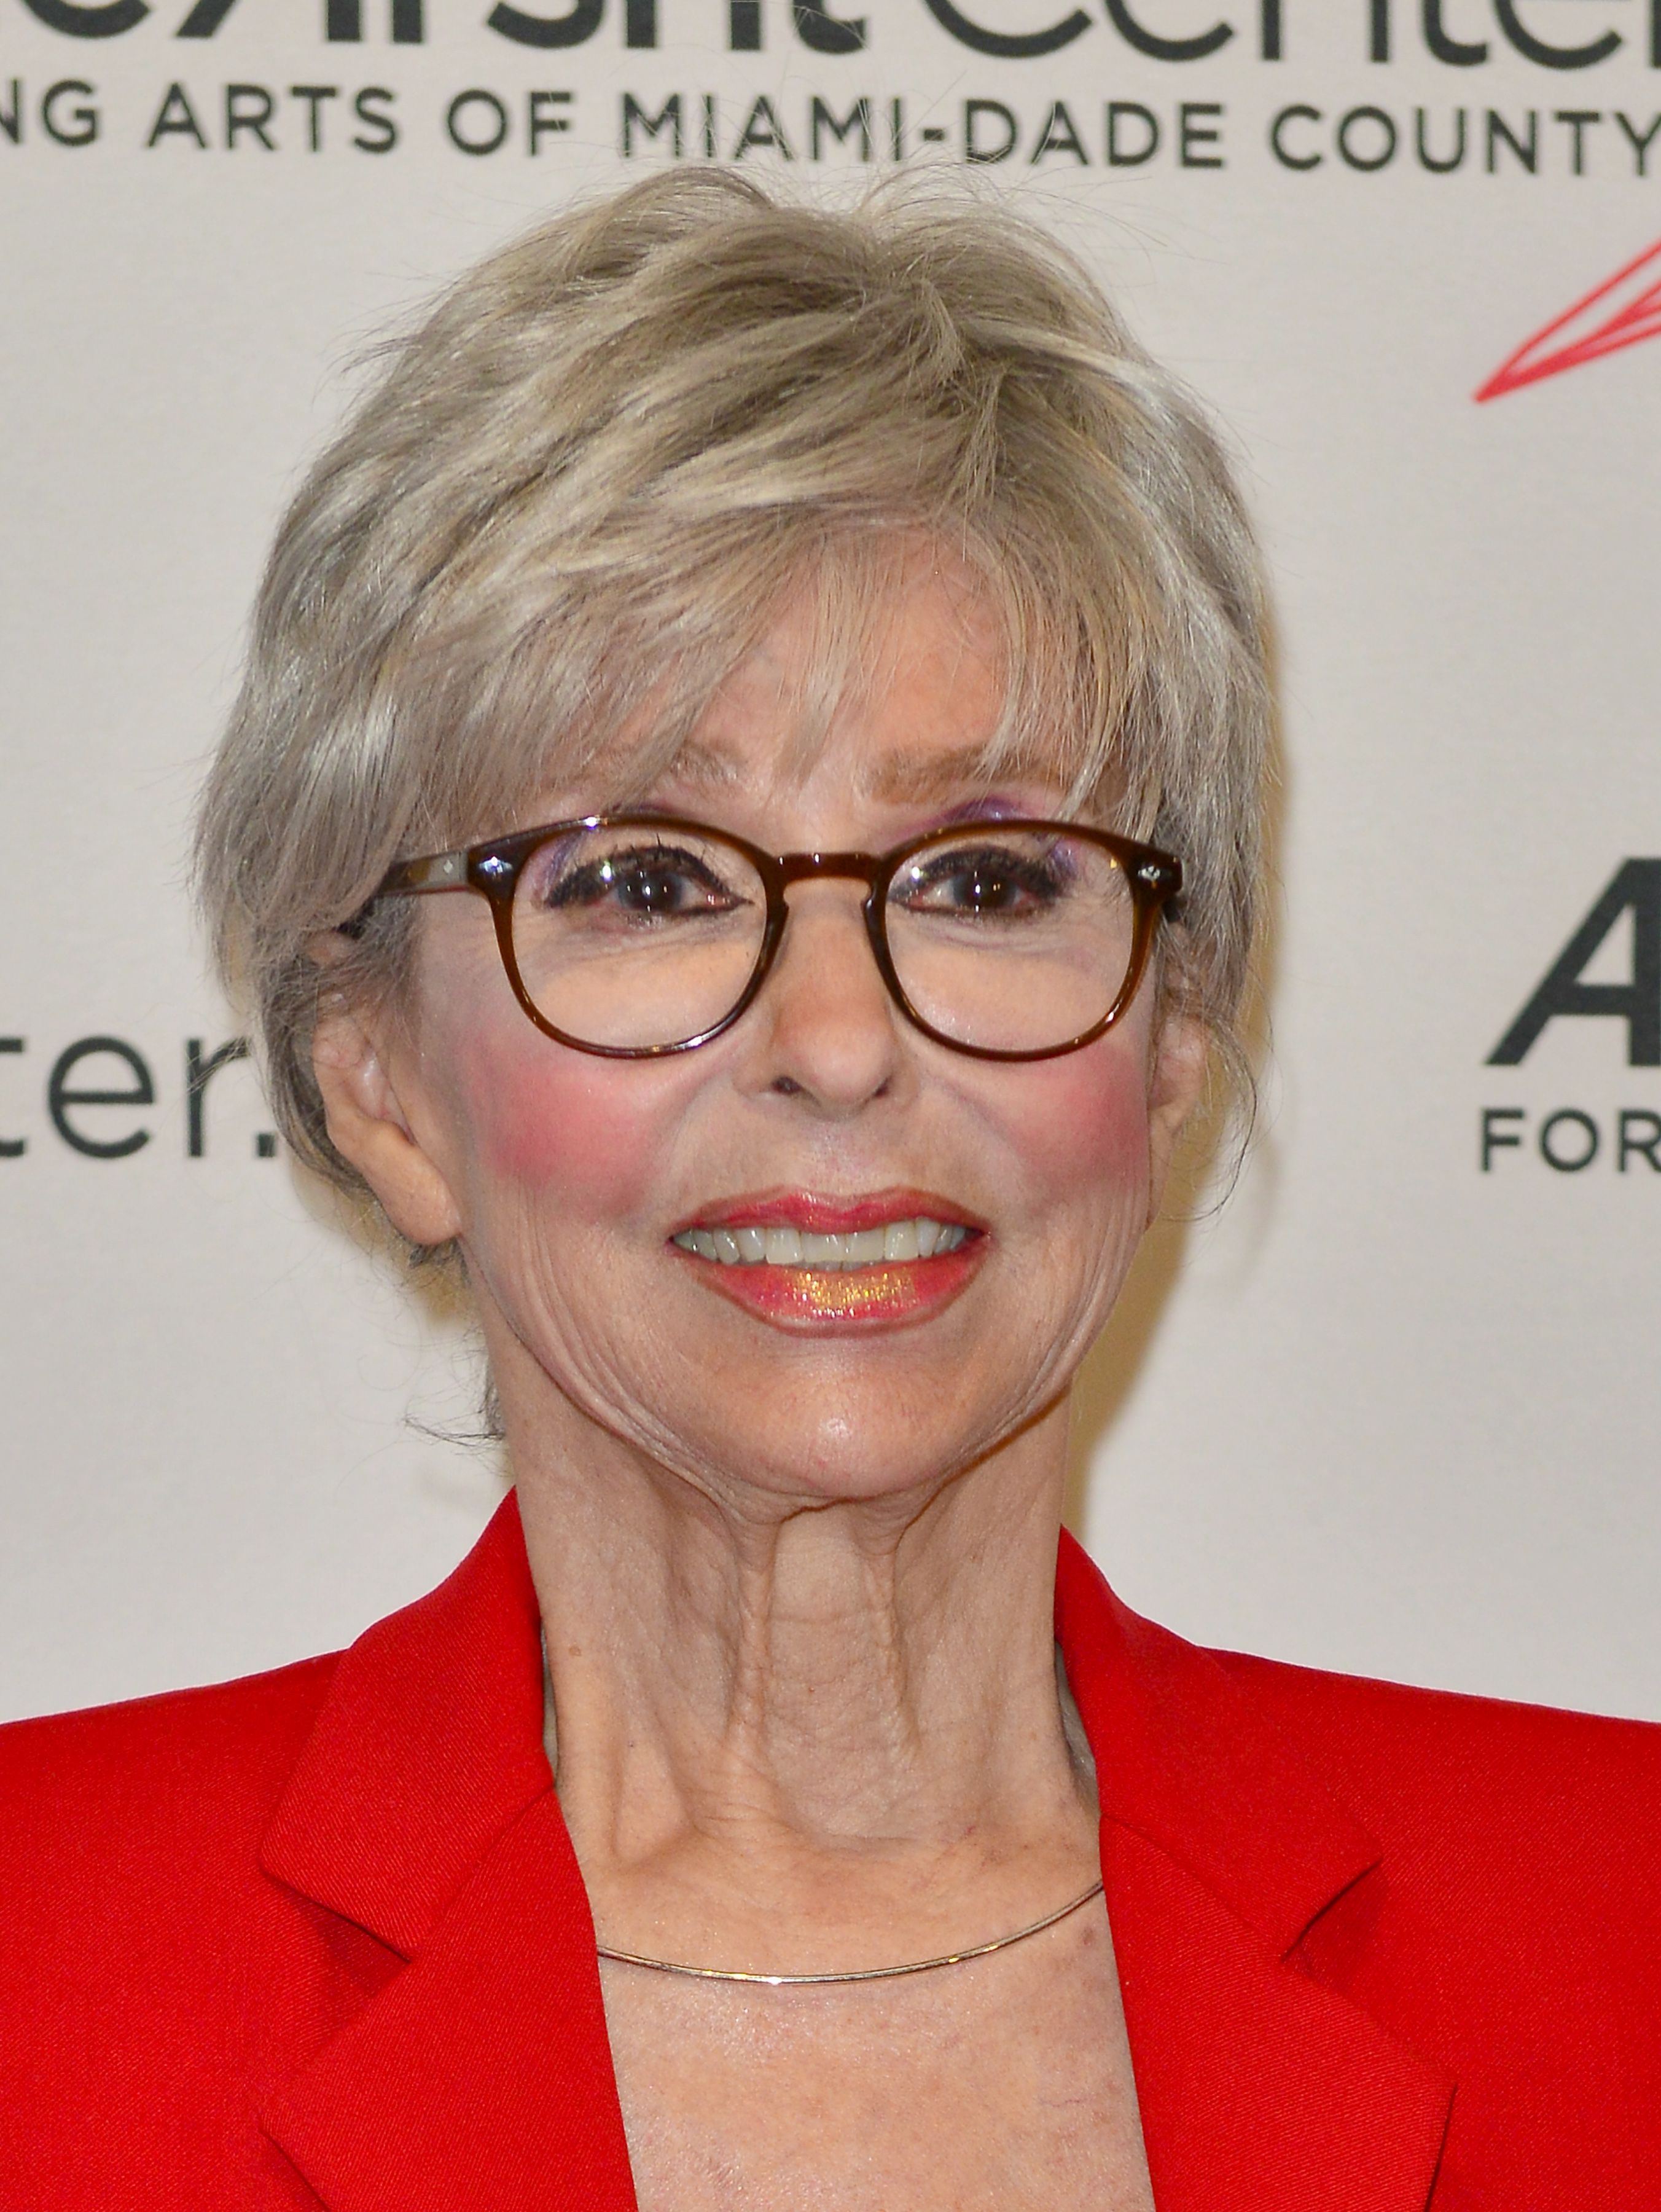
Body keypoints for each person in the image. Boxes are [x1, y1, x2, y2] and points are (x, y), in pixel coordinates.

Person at [1, 171, 1655, 2212]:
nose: (842, 1038)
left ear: (1167, 1042)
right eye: (643, 882)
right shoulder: (37, 1960)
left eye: (984, 879)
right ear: (383, 1088)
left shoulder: (1620, 1931)